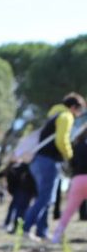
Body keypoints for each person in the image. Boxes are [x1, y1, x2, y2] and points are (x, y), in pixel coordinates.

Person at [22, 93, 86, 240]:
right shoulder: (66, 116)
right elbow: (62, 140)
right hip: (48, 161)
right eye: (79, 111)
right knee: (46, 197)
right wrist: (70, 156)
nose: (79, 115)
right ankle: (26, 228)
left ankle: (41, 231)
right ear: (73, 107)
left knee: (45, 197)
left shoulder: (54, 115)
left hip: (38, 160)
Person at [50, 126, 87, 243]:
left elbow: (70, 163)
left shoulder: (77, 145)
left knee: (68, 211)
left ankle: (56, 236)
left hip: (78, 179)